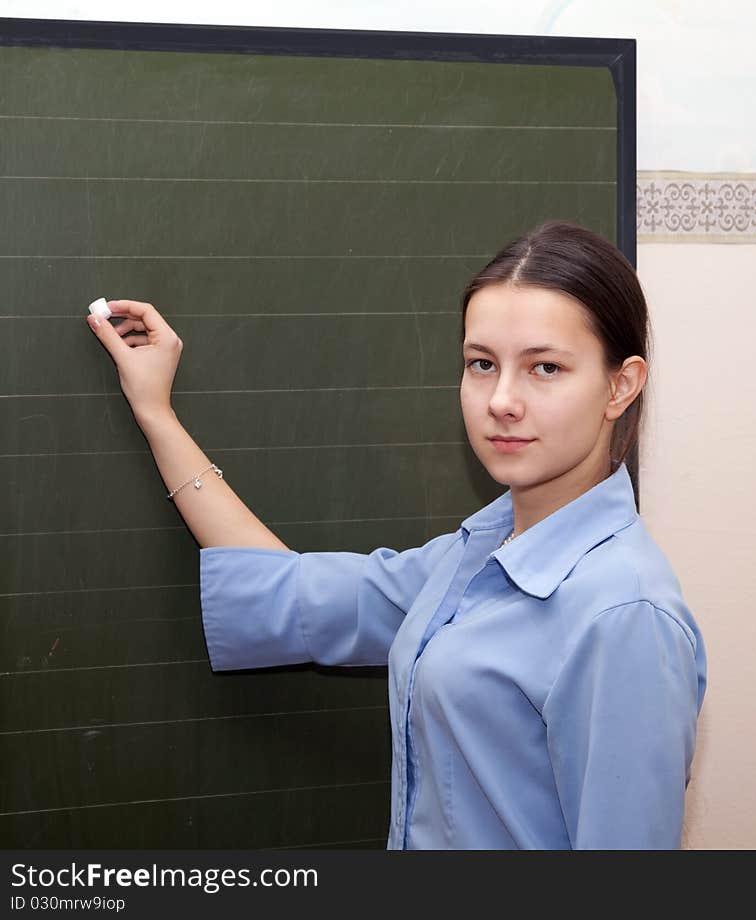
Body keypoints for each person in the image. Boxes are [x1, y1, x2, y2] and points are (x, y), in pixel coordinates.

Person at [86, 218, 707, 850]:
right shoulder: (476, 556)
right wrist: (155, 412)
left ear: (620, 385)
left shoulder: (625, 616)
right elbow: (290, 592)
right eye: (481, 364)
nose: (502, 400)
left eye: (545, 368)